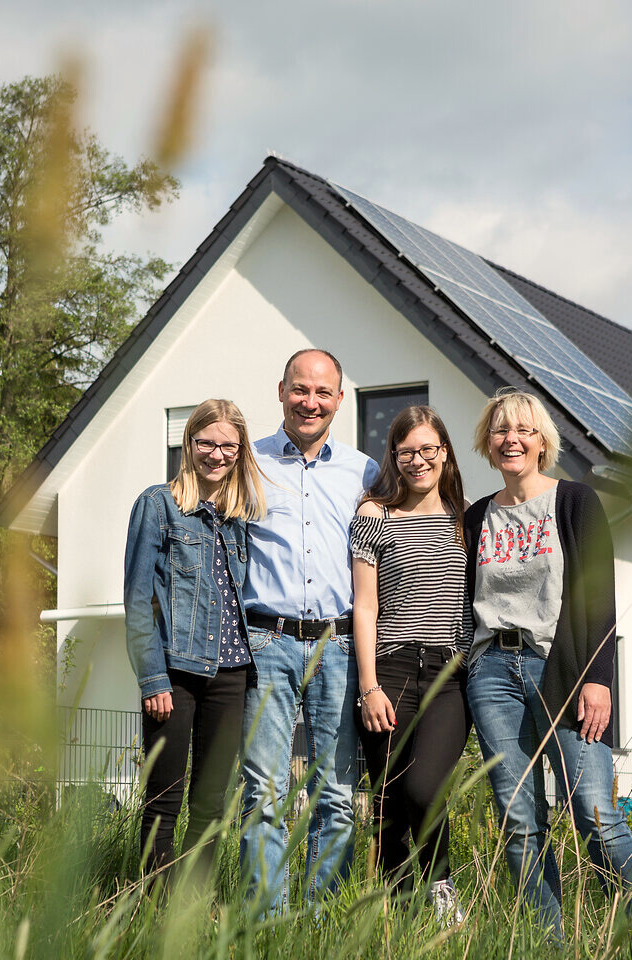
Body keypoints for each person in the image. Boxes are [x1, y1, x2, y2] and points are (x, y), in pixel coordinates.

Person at [461, 388, 632, 937]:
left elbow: (600, 598)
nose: (511, 439)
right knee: (519, 820)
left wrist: (598, 677)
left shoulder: (574, 502)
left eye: (523, 430)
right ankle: (548, 941)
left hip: (563, 669)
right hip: (493, 672)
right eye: (501, 430)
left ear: (542, 440)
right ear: (488, 441)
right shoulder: (477, 517)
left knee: (595, 813)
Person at [239, 348, 379, 911]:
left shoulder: (365, 471)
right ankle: (266, 922)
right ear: (280, 391)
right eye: (301, 390)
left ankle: (322, 919)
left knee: (338, 794)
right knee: (265, 792)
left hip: (340, 645)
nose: (310, 402)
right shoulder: (248, 463)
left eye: (323, 393)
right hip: (266, 640)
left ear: (340, 401)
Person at [124, 398, 266, 881]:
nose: (216, 454)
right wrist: (151, 679)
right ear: (189, 444)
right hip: (176, 674)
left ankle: (190, 909)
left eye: (228, 445)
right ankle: (153, 910)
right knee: (164, 798)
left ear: (240, 450)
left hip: (231, 674)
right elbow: (139, 599)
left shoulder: (241, 516)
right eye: (206, 442)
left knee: (209, 804)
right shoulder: (158, 504)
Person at [351, 406, 470, 924]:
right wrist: (369, 686)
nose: (419, 461)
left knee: (425, 788)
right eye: (407, 453)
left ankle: (442, 890)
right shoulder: (373, 517)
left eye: (428, 450)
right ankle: (397, 917)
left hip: (449, 674)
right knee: (391, 800)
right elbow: (365, 606)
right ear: (394, 458)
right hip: (391, 670)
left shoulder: (470, 518)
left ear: (444, 452)